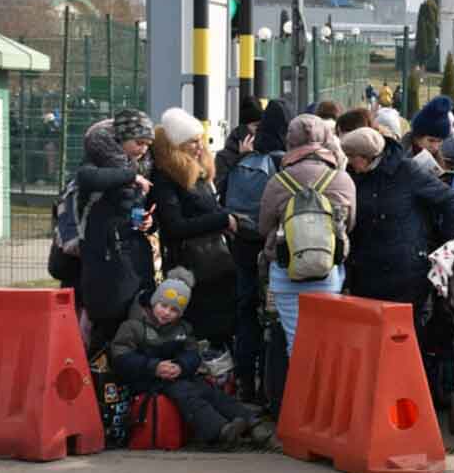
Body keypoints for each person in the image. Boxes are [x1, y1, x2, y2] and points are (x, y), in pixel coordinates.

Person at [111, 268, 271, 447]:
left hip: (176, 375)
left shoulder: (183, 329)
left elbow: (192, 354)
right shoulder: (133, 327)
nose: (166, 313)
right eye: (163, 306)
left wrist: (181, 366)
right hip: (146, 379)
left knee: (208, 390)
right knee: (186, 393)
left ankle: (251, 423)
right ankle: (220, 430)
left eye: (174, 310)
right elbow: (121, 357)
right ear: (154, 303)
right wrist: (153, 367)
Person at [258, 115, 357, 352]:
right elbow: (351, 224)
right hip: (327, 271)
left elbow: (264, 227)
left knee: (297, 346)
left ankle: (300, 387)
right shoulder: (342, 180)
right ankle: (325, 388)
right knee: (326, 344)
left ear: (290, 142)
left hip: (286, 273)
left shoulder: (279, 181)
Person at [341, 126, 454, 307]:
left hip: (406, 271)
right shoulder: (353, 176)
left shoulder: (407, 171)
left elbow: (449, 200)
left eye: (351, 157)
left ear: (367, 156)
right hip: (366, 271)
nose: (348, 162)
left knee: (407, 330)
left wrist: (444, 242)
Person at [150, 108, 238, 349]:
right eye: (192, 142)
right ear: (177, 146)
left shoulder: (197, 174)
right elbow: (174, 226)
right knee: (203, 327)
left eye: (200, 140)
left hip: (212, 263)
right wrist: (222, 220)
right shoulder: (167, 178)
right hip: (193, 266)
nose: (199, 147)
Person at [223, 99, 292, 402]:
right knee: (275, 317)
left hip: (241, 245)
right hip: (270, 250)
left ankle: (245, 382)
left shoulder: (244, 159)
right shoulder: (282, 161)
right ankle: (271, 388)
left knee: (245, 313)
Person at [76, 110, 157, 350]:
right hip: (104, 255)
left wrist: (145, 222)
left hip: (130, 250)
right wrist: (131, 176)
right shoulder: (97, 159)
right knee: (107, 319)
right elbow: (88, 178)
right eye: (138, 142)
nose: (142, 149)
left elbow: (134, 206)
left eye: (147, 144)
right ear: (121, 138)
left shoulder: (141, 165)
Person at [215, 97, 263, 200]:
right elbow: (221, 189)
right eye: (256, 126)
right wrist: (242, 159)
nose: (259, 131)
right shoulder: (223, 157)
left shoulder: (263, 152)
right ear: (243, 130)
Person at [405, 95, 453, 173]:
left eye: (440, 141)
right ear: (417, 137)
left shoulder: (439, 158)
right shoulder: (399, 155)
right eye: (431, 140)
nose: (435, 147)